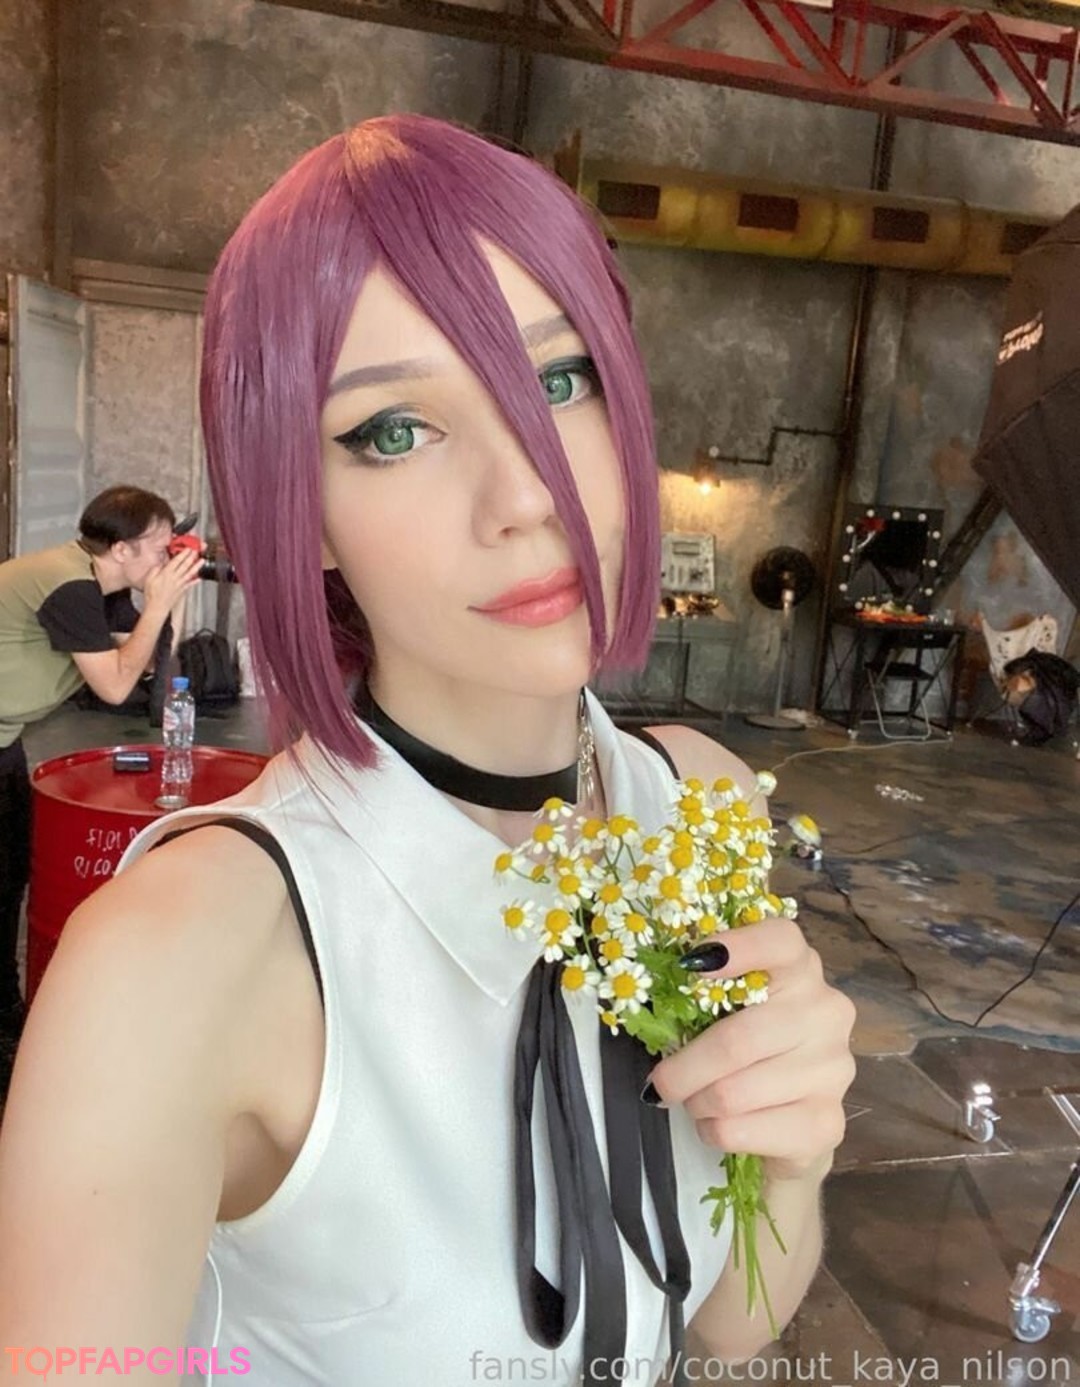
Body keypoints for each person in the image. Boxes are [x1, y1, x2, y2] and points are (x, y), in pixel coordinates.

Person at [0, 116, 855, 1385]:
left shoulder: (700, 805)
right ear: (300, 505)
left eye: (559, 381)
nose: (528, 496)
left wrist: (793, 1156)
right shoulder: (179, 962)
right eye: (395, 429)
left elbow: (731, 1323)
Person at [0, 486, 202, 1084]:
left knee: (10, 876)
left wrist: (167, 604)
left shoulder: (102, 590)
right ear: (120, 549)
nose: (167, 558)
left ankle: (7, 1017)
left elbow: (150, 666)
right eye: (160, 548)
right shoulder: (69, 586)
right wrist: (158, 605)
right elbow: (114, 687)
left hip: (5, 738)